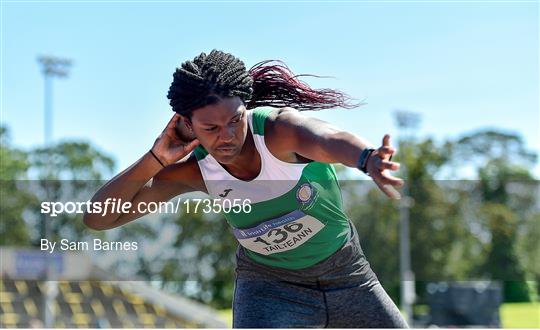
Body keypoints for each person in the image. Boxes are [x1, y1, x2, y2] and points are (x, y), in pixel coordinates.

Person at [84, 50, 408, 328]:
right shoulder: (195, 170)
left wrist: (366, 159)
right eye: (210, 128)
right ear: (186, 124)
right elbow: (98, 218)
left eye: (235, 120)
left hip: (347, 273)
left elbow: (328, 138)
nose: (227, 136)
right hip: (270, 286)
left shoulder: (280, 131)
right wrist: (155, 159)